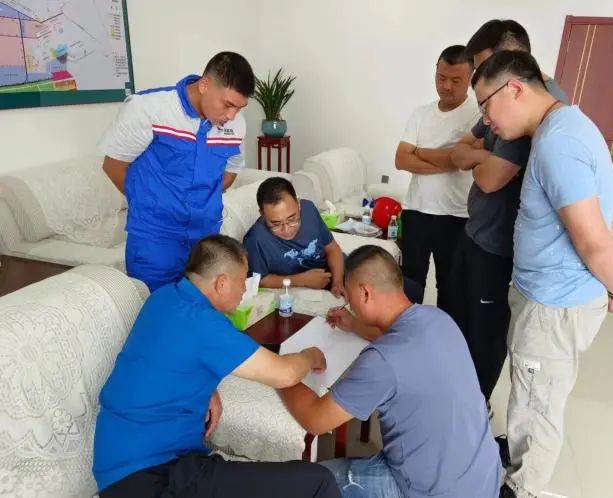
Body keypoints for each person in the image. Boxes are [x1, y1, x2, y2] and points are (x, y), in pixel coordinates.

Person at [472, 50, 613, 498]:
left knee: (537, 408)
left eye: (486, 105)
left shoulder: (557, 145)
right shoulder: (566, 126)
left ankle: (524, 489)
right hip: (551, 296)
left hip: (551, 307)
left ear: (514, 88)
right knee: (535, 396)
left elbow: (593, 240)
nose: (486, 120)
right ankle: (520, 468)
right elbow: (599, 224)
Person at [93, 235, 341, 498]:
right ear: (221, 283)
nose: (245, 289)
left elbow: (167, 355)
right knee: (318, 482)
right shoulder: (204, 323)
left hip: (125, 465)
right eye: (243, 279)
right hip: (152, 476)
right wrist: (310, 355)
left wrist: (207, 386)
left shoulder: (165, 297)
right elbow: (285, 374)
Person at [278, 245, 501, 498]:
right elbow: (399, 340)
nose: (350, 306)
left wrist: (284, 368)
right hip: (483, 479)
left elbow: (315, 420)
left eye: (349, 300)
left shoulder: (381, 361)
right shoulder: (438, 318)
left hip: (431, 492)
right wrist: (354, 325)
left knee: (308, 484)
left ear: (364, 292)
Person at [445, 20, 568, 403]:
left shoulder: (536, 108)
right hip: (475, 231)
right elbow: (458, 150)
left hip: (499, 245)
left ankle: (473, 406)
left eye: (485, 65)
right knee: (457, 318)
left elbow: (489, 180)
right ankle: (454, 396)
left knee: (485, 333)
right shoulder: (497, 103)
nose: (481, 76)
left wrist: (480, 159)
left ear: (514, 58)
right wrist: (484, 155)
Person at [101, 52, 255, 292]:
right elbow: (113, 166)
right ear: (204, 85)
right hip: (156, 240)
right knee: (157, 308)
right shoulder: (149, 109)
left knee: (202, 308)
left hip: (206, 240)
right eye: (227, 105)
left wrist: (203, 202)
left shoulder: (236, 124)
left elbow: (231, 170)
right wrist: (150, 204)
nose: (231, 116)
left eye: (239, 108)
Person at [395, 45, 479, 310]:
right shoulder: (421, 114)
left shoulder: (477, 114)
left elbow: (461, 160)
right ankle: (408, 331)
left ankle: (443, 333)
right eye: (441, 78)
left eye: (456, 80)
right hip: (416, 210)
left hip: (456, 215)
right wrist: (448, 158)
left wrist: (419, 151)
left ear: (470, 78)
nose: (446, 86)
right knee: (409, 283)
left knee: (450, 286)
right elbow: (401, 159)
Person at [243, 177, 346, 297]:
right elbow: (260, 281)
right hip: (301, 289)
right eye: (276, 224)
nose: (287, 230)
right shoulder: (254, 239)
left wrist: (337, 282)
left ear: (298, 204)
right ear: (262, 214)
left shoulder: (309, 209)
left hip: (336, 273)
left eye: (292, 219)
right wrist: (302, 280)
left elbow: (332, 247)